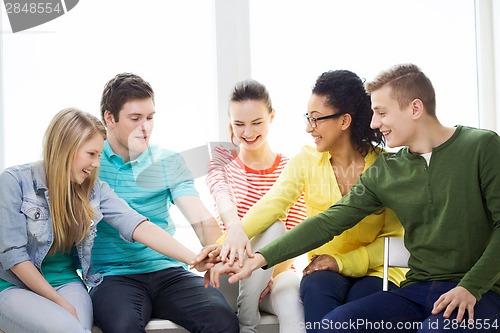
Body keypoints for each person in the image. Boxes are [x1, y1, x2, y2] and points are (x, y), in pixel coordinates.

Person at [209, 64, 500, 332]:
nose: (374, 123)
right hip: (418, 291)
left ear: (414, 108)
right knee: (332, 326)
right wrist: (261, 257)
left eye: (382, 113)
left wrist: (470, 287)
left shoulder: (481, 146)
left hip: (479, 292)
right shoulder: (389, 170)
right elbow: (329, 221)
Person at [202, 70, 407, 333]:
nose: (309, 127)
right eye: (308, 118)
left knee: (357, 310)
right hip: (323, 269)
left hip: (378, 271)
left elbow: (393, 238)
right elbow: (272, 205)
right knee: (315, 290)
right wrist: (223, 245)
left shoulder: (386, 167)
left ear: (344, 121)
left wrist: (343, 262)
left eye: (316, 119)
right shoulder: (307, 160)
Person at [0, 108, 213, 333]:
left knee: (75, 328)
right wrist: (60, 303)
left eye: (99, 155)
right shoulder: (14, 181)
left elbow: (138, 225)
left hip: (66, 282)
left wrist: (195, 259)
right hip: (14, 286)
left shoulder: (93, 191)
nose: (96, 164)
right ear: (66, 149)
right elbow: (15, 259)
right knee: (70, 329)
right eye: (91, 154)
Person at [89, 73, 238, 333]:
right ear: (109, 118)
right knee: (123, 328)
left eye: (150, 117)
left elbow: (198, 215)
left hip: (168, 271)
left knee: (223, 322)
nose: (145, 127)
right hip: (113, 276)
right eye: (135, 119)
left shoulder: (168, 161)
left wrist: (214, 249)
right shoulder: (90, 162)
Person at [205, 79, 308, 333]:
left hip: (278, 273)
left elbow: (294, 236)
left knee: (292, 308)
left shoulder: (291, 167)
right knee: (267, 226)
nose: (247, 133)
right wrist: (236, 229)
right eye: (239, 124)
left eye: (256, 122)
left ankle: (246, 318)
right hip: (232, 274)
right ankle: (247, 317)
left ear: (271, 117)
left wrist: (266, 275)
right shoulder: (221, 160)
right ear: (230, 122)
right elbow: (222, 197)